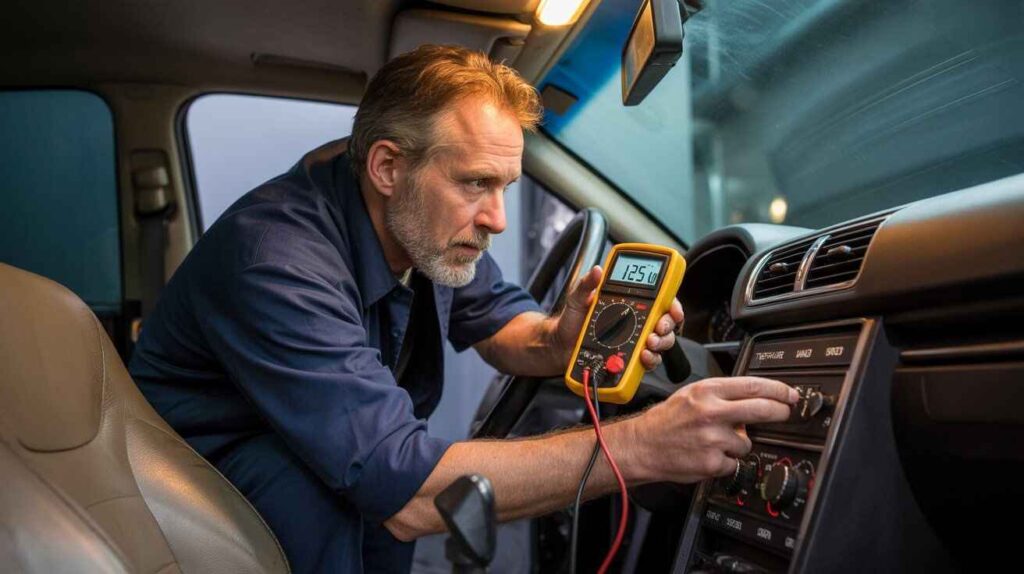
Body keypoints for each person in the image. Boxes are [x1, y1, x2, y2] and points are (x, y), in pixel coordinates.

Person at [129, 44, 797, 573]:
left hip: (327, 482)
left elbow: (501, 324)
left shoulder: (420, 224)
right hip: (198, 495)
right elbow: (407, 493)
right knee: (358, 495)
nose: (498, 218)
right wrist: (644, 445)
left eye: (504, 186)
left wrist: (559, 338)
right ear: (387, 167)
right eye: (476, 183)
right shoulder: (276, 261)